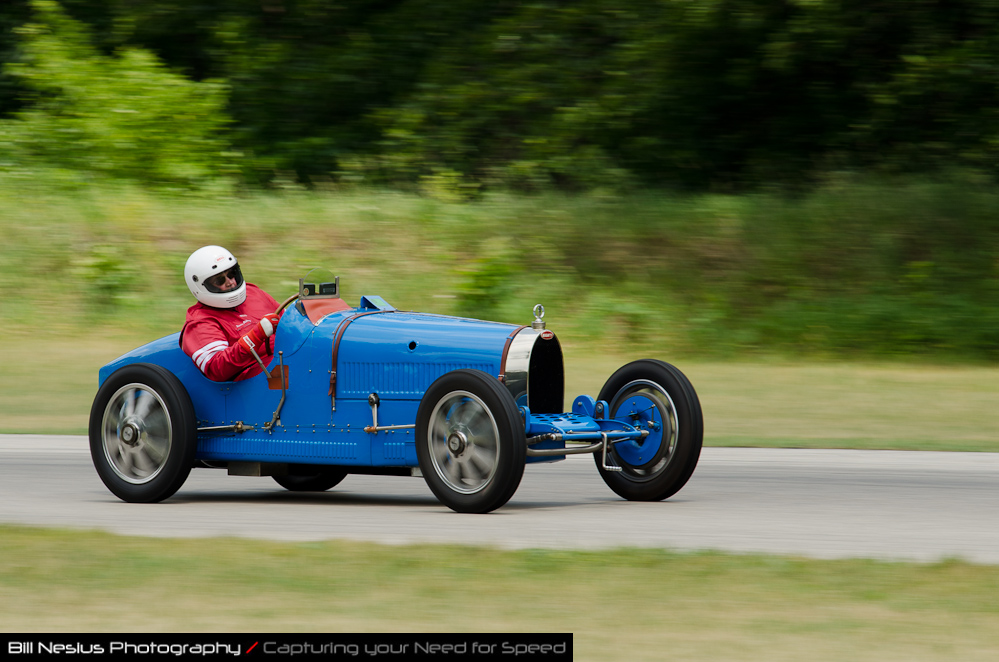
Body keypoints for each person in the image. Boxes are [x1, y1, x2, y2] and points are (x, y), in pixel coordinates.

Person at [180, 245, 282, 382]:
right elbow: (217, 368)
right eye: (219, 280)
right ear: (201, 286)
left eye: (231, 274)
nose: (230, 282)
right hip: (257, 381)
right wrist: (256, 336)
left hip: (283, 361)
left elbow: (289, 322)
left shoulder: (253, 292)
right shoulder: (200, 322)